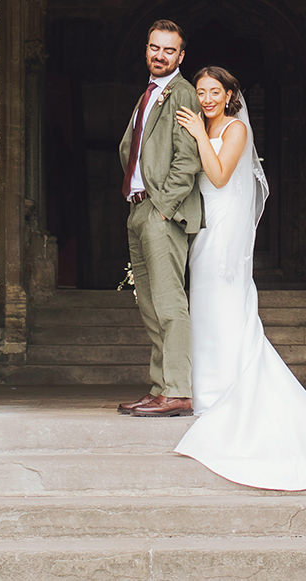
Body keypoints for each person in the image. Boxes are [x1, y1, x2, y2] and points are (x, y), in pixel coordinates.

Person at [172, 66, 306, 489]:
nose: (207, 98)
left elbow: (219, 175)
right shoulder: (204, 125)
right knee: (205, 306)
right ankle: (208, 390)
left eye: (215, 91)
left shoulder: (235, 129)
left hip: (227, 227)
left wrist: (198, 134)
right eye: (201, 91)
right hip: (206, 224)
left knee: (225, 303)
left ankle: (228, 390)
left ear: (230, 95)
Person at [115, 21, 204, 417]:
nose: (160, 55)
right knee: (150, 306)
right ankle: (160, 387)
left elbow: (187, 159)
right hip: (139, 208)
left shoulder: (181, 93)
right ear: (146, 49)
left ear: (181, 56)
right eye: (155, 48)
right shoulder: (148, 94)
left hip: (160, 212)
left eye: (169, 50)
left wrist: (163, 206)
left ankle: (178, 390)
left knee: (169, 304)